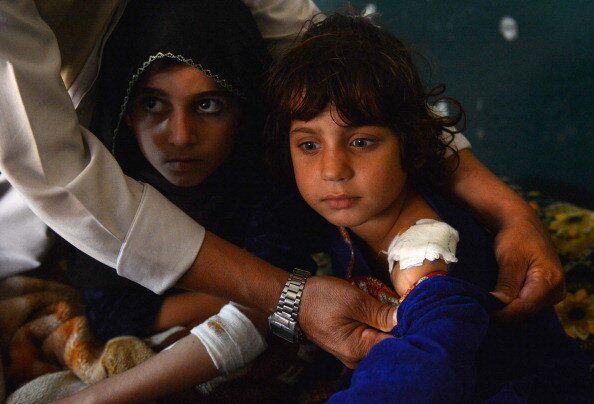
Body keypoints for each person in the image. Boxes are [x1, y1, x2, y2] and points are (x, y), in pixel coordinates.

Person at [0, 0, 565, 371]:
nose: (334, 170)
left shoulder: (409, 240)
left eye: (209, 105)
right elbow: (59, 175)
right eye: (309, 144)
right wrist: (286, 298)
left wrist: (513, 215)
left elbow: (327, 61)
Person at [265, 13, 590, 402]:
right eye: (309, 145)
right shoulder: (348, 211)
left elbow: (426, 372)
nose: (332, 170)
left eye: (362, 142)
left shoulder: (423, 247)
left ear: (411, 142)